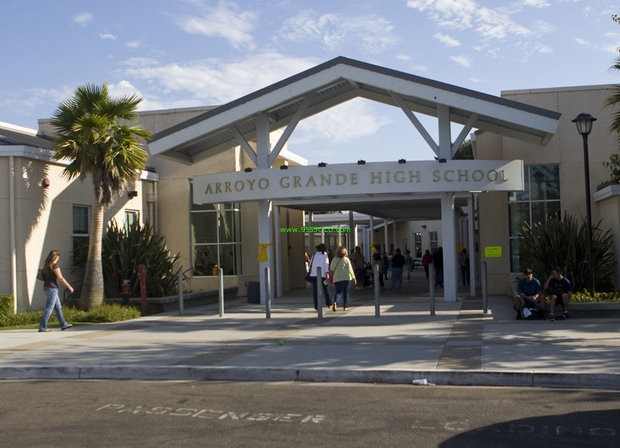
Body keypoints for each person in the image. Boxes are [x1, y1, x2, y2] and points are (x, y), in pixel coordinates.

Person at [38, 249, 74, 332]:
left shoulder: (46, 265)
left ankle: (63, 324)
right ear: (56, 257)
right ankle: (42, 327)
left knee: (58, 307)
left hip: (47, 288)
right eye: (58, 257)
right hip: (52, 289)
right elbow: (60, 278)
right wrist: (69, 286)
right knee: (49, 308)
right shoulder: (54, 265)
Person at [308, 243, 332, 310]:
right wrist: (327, 274)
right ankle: (329, 303)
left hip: (314, 276)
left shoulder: (314, 255)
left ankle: (316, 306)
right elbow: (326, 265)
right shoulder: (325, 255)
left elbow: (310, 264)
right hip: (323, 276)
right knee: (326, 289)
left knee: (315, 291)